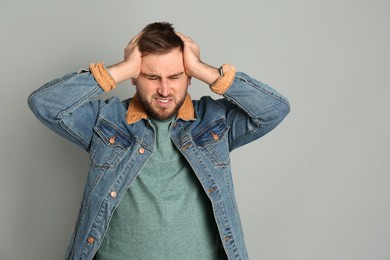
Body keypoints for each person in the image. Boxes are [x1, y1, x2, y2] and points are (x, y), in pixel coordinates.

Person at [28, 22, 290, 260]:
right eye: (152, 77)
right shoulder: (105, 120)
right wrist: (118, 70)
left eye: (175, 76)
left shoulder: (214, 120)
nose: (164, 90)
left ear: (189, 77)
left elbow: (272, 110)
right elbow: (45, 104)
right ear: (134, 77)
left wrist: (203, 69)